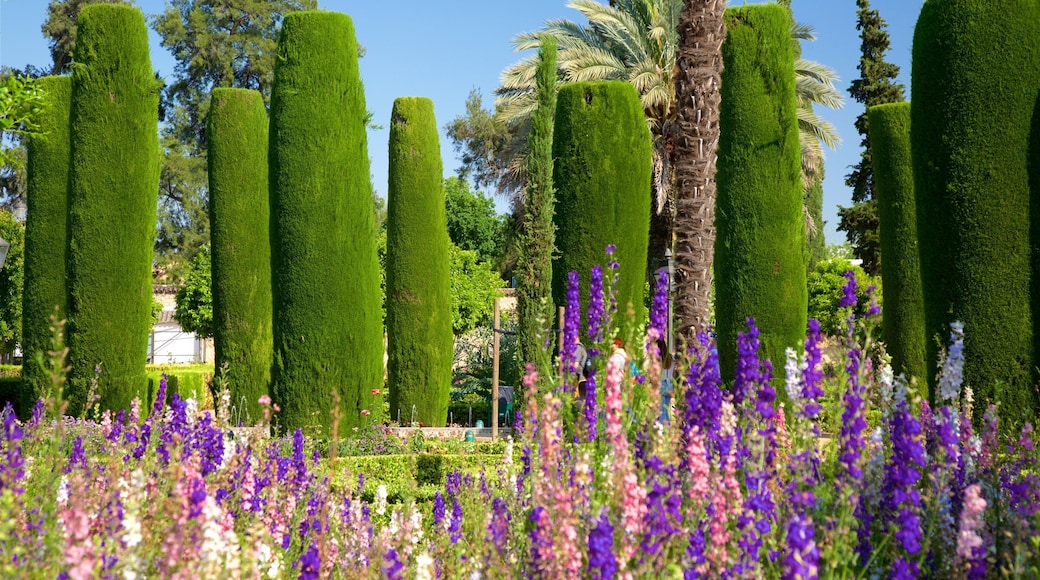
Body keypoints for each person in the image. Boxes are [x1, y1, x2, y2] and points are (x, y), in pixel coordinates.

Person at [657, 337, 674, 423]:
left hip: (661, 384)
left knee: (661, 412)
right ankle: (668, 430)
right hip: (670, 385)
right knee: (666, 411)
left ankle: (664, 432)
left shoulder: (657, 358)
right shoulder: (671, 358)